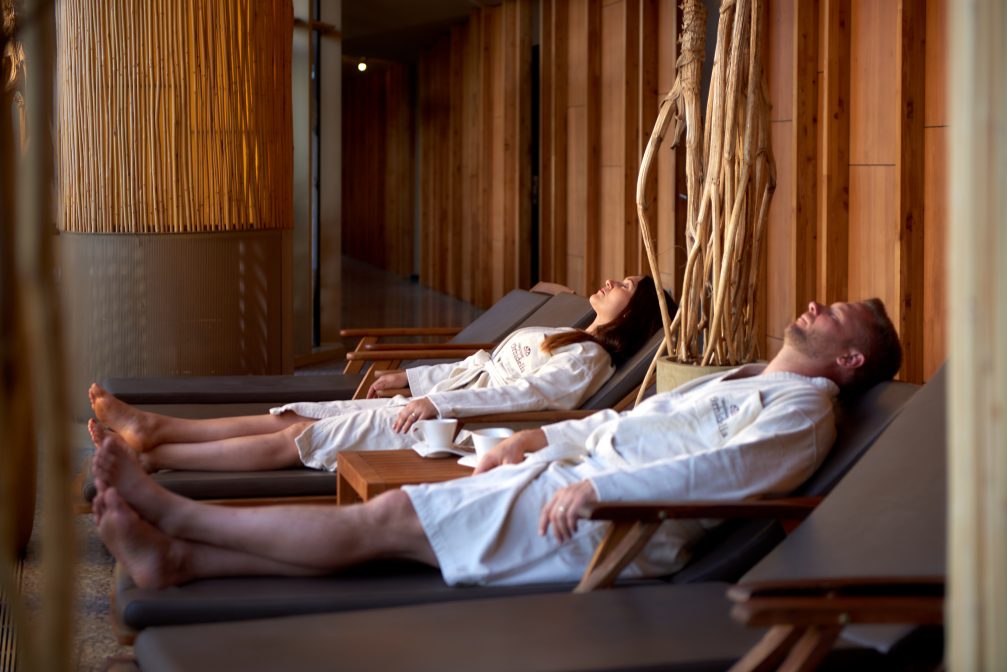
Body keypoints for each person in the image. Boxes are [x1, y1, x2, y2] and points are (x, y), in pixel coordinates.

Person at [92, 298, 902, 590]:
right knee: (392, 534)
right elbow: (613, 423)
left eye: (836, 314)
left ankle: (175, 511)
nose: (816, 305)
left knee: (386, 521)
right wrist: (536, 439)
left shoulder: (802, 410)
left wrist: (602, 492)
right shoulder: (742, 378)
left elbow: (732, 471)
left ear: (850, 358)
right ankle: (180, 559)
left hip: (611, 521)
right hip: (570, 477)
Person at [88, 276, 668, 472]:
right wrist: (412, 380)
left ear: (633, 314)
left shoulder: (588, 359)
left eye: (626, 286)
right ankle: (156, 429)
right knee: (294, 415)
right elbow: (478, 365)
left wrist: (435, 407)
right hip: (431, 406)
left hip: (450, 431)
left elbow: (527, 398)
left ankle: (159, 455)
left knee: (301, 438)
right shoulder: (563, 332)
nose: (612, 282)